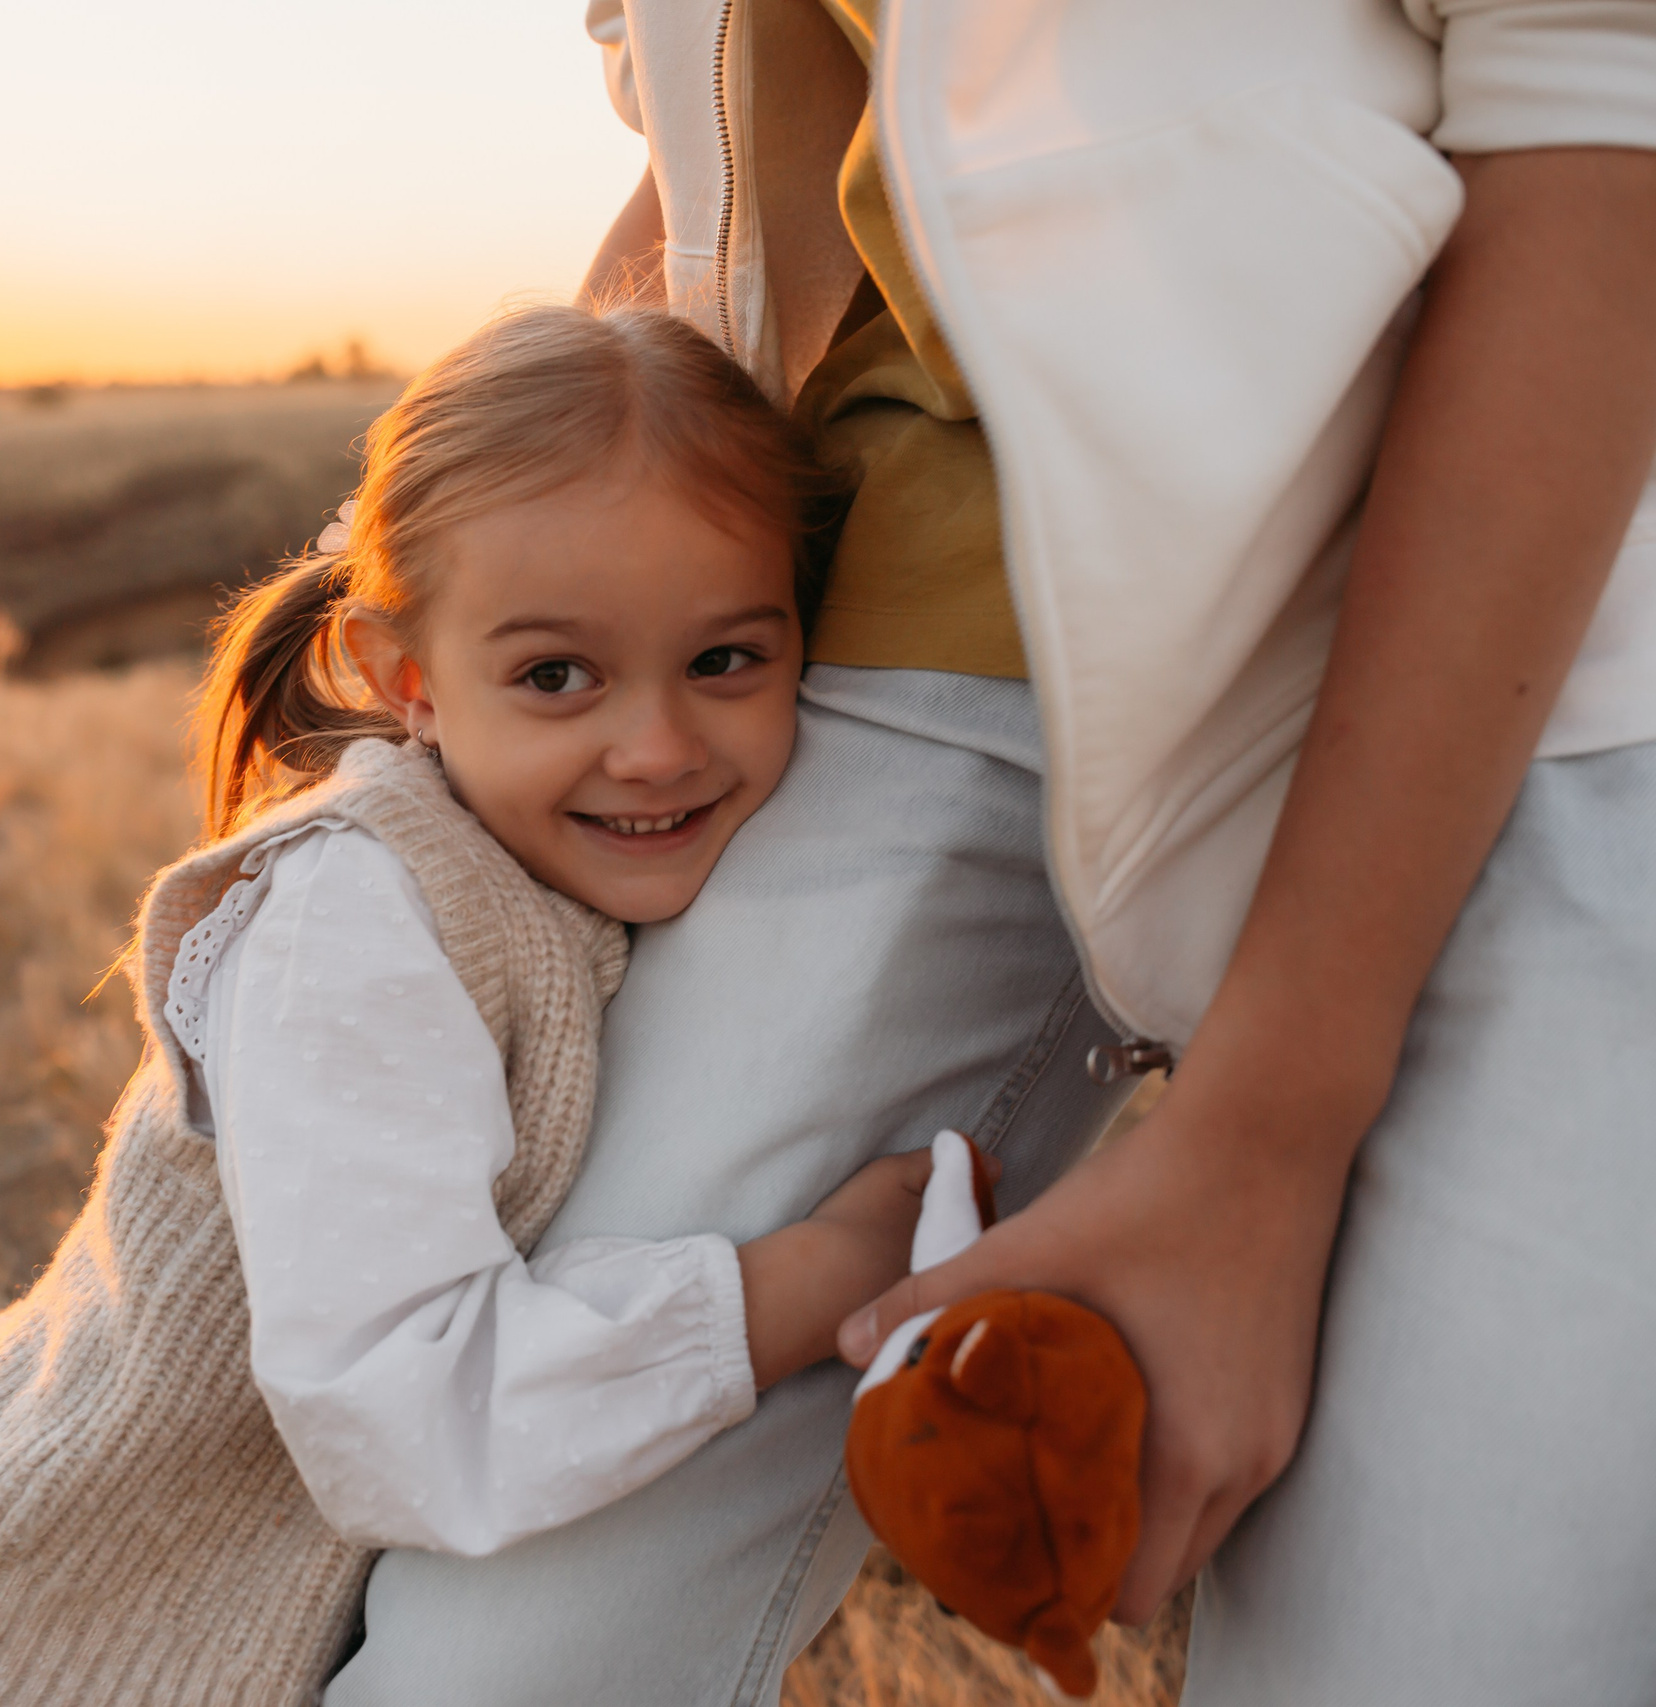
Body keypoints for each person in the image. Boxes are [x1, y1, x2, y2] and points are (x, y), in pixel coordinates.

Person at [323, 3, 1656, 1705]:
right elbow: (709, 133)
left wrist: (1265, 1137)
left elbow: (1604, 97)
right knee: (510, 1658)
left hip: (1530, 632)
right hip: (879, 626)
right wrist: (476, 664)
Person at [0, 304, 964, 1707]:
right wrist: (806, 1284)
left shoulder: (549, 872)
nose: (659, 747)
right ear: (404, 679)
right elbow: (406, 1413)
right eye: (556, 676)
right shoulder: (357, 924)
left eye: (725, 660)